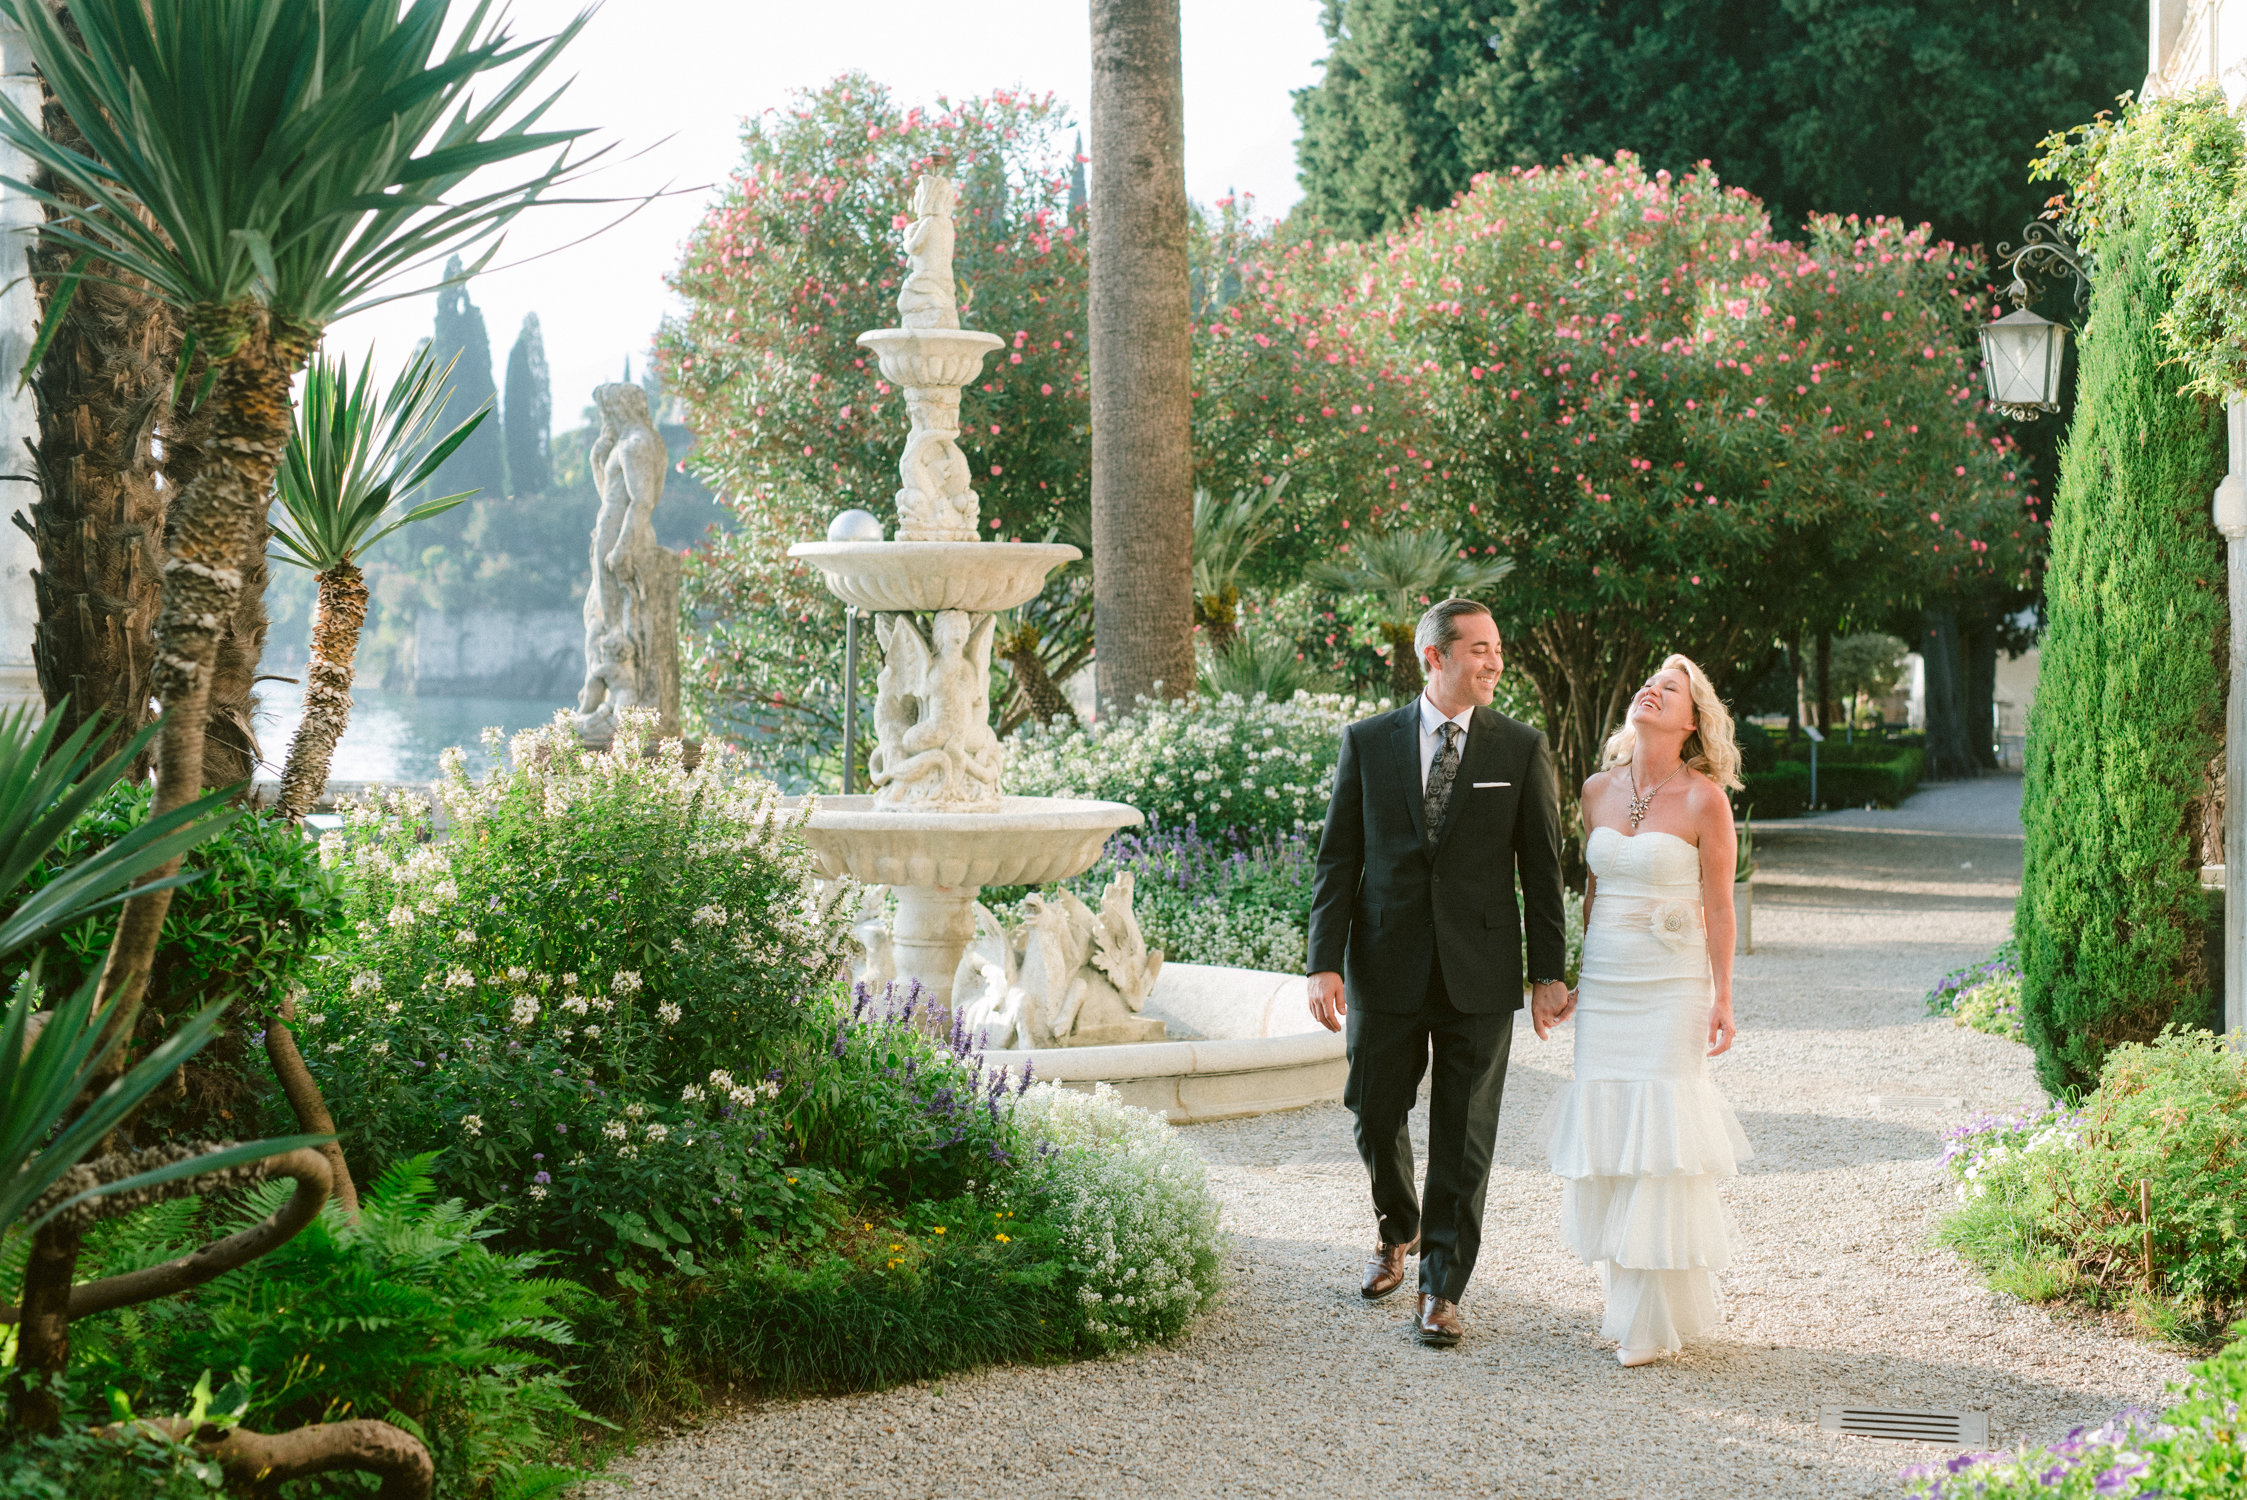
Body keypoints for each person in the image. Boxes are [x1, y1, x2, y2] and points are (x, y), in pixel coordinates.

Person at [1307, 598, 1569, 1347]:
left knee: (1463, 1134)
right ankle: (1398, 1228)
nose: (1493, 662)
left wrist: (1547, 972)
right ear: (1435, 656)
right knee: (1373, 1110)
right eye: (1479, 649)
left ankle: (1440, 1288)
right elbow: (1338, 859)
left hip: (1479, 972)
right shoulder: (1367, 742)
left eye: (1496, 649)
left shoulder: (1519, 748)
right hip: (1384, 962)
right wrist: (1322, 961)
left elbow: (1541, 870)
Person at [1538, 653, 1753, 1367]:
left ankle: (1650, 1324)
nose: (1651, 691)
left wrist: (1721, 996)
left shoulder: (1703, 799)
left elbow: (1720, 907)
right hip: (1607, 983)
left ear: (1692, 721)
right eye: (1649, 683)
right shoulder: (1598, 790)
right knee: (1609, 1134)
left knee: (1658, 1137)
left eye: (1671, 689)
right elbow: (1595, 894)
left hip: (1670, 987)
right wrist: (1574, 981)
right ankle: (1622, 1304)